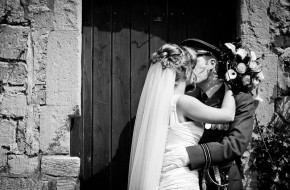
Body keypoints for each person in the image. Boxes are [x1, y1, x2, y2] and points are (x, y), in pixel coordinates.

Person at [128, 43, 236, 190]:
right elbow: (228, 115)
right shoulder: (182, 101)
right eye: (192, 66)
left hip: (162, 177)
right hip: (179, 179)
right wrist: (232, 83)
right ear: (186, 72)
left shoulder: (158, 104)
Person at [162, 38, 257, 190]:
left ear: (211, 64)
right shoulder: (190, 100)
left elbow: (236, 145)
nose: (187, 65)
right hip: (185, 180)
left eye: (193, 59)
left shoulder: (240, 98)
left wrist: (189, 155)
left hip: (221, 182)